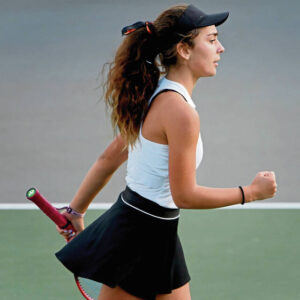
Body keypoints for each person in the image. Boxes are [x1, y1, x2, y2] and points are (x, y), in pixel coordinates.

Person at [55, 4, 277, 300]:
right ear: (184, 50)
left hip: (151, 229)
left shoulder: (155, 93)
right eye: (211, 40)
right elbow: (184, 194)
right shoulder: (180, 113)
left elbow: (109, 157)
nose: (220, 48)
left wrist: (75, 210)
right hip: (137, 235)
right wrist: (250, 192)